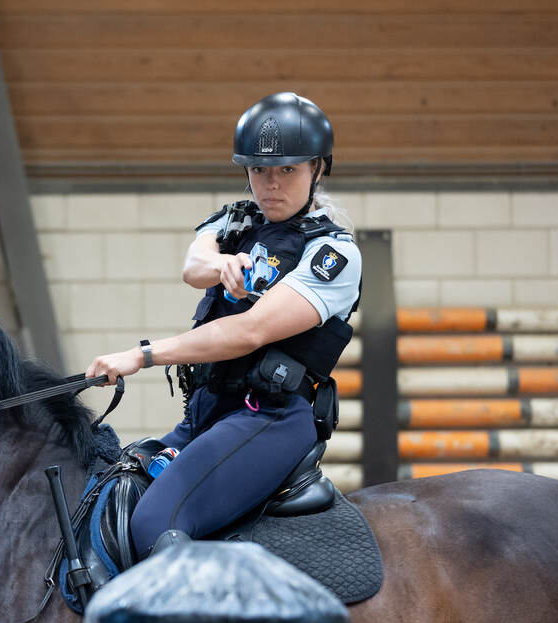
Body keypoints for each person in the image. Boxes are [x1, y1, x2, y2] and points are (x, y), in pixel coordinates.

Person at [85, 91, 362, 558]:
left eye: (286, 170)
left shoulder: (333, 255)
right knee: (108, 490)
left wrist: (142, 355)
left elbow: (248, 332)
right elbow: (193, 263)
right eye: (258, 170)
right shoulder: (238, 221)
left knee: (157, 522)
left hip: (269, 418)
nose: (270, 184)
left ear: (317, 168)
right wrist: (220, 266)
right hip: (207, 414)